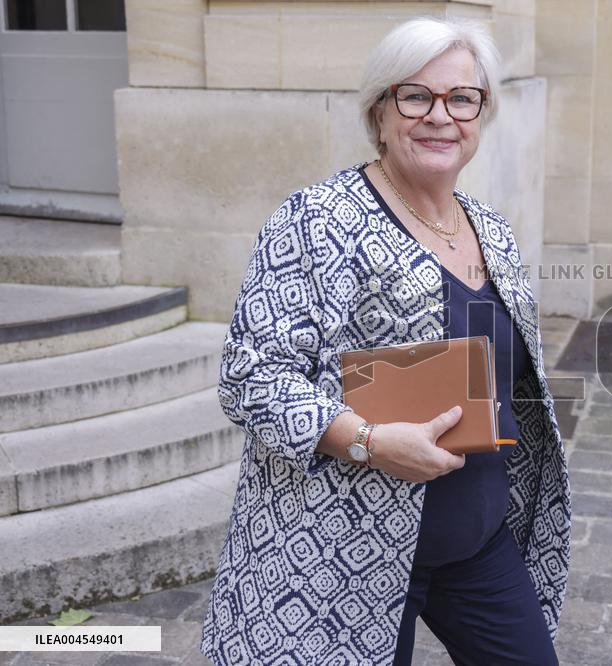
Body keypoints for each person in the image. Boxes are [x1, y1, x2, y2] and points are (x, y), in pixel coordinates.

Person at [199, 17, 571, 666]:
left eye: (461, 98)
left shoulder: (491, 229)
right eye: (415, 96)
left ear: (481, 116)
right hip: (342, 549)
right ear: (379, 111)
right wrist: (367, 441)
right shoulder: (316, 219)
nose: (440, 116)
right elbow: (250, 377)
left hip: (477, 542)